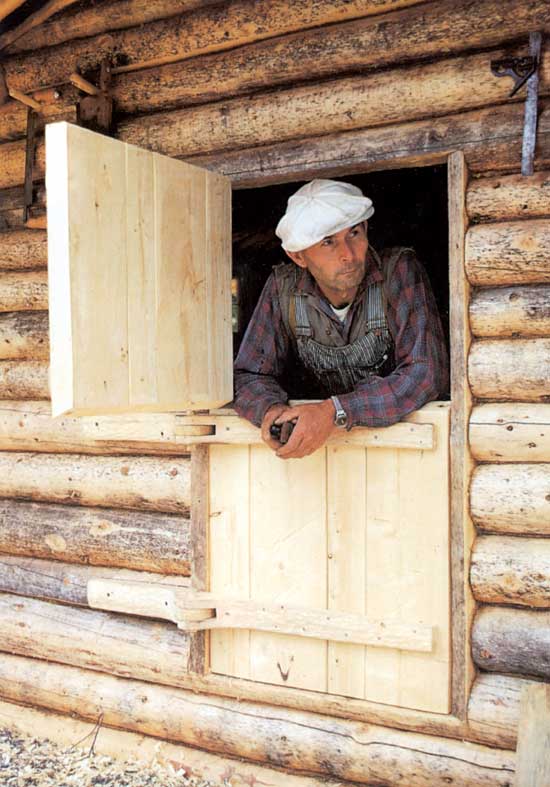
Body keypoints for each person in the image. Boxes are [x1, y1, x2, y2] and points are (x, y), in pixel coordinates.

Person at [233, 179, 448, 460]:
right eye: (328, 242)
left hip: (401, 453)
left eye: (354, 233)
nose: (348, 254)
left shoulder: (397, 272)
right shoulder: (282, 289)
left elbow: (426, 373)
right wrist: (271, 409)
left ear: (366, 228)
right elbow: (248, 374)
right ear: (298, 256)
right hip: (320, 461)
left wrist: (334, 412)